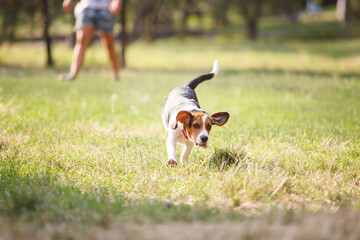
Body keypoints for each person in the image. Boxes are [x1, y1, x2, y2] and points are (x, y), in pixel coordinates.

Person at [58, 0, 122, 81]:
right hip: (87, 6)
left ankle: (115, 75)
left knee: (109, 43)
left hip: (107, 7)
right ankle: (73, 74)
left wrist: (117, 1)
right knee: (81, 38)